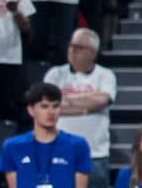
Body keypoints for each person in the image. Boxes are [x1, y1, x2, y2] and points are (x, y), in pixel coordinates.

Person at [45, 28, 119, 164]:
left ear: (92, 53)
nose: (72, 50)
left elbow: (102, 100)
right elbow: (48, 105)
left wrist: (64, 101)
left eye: (78, 47)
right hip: (59, 153)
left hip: (95, 153)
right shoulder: (55, 74)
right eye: (71, 45)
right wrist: (87, 107)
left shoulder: (105, 75)